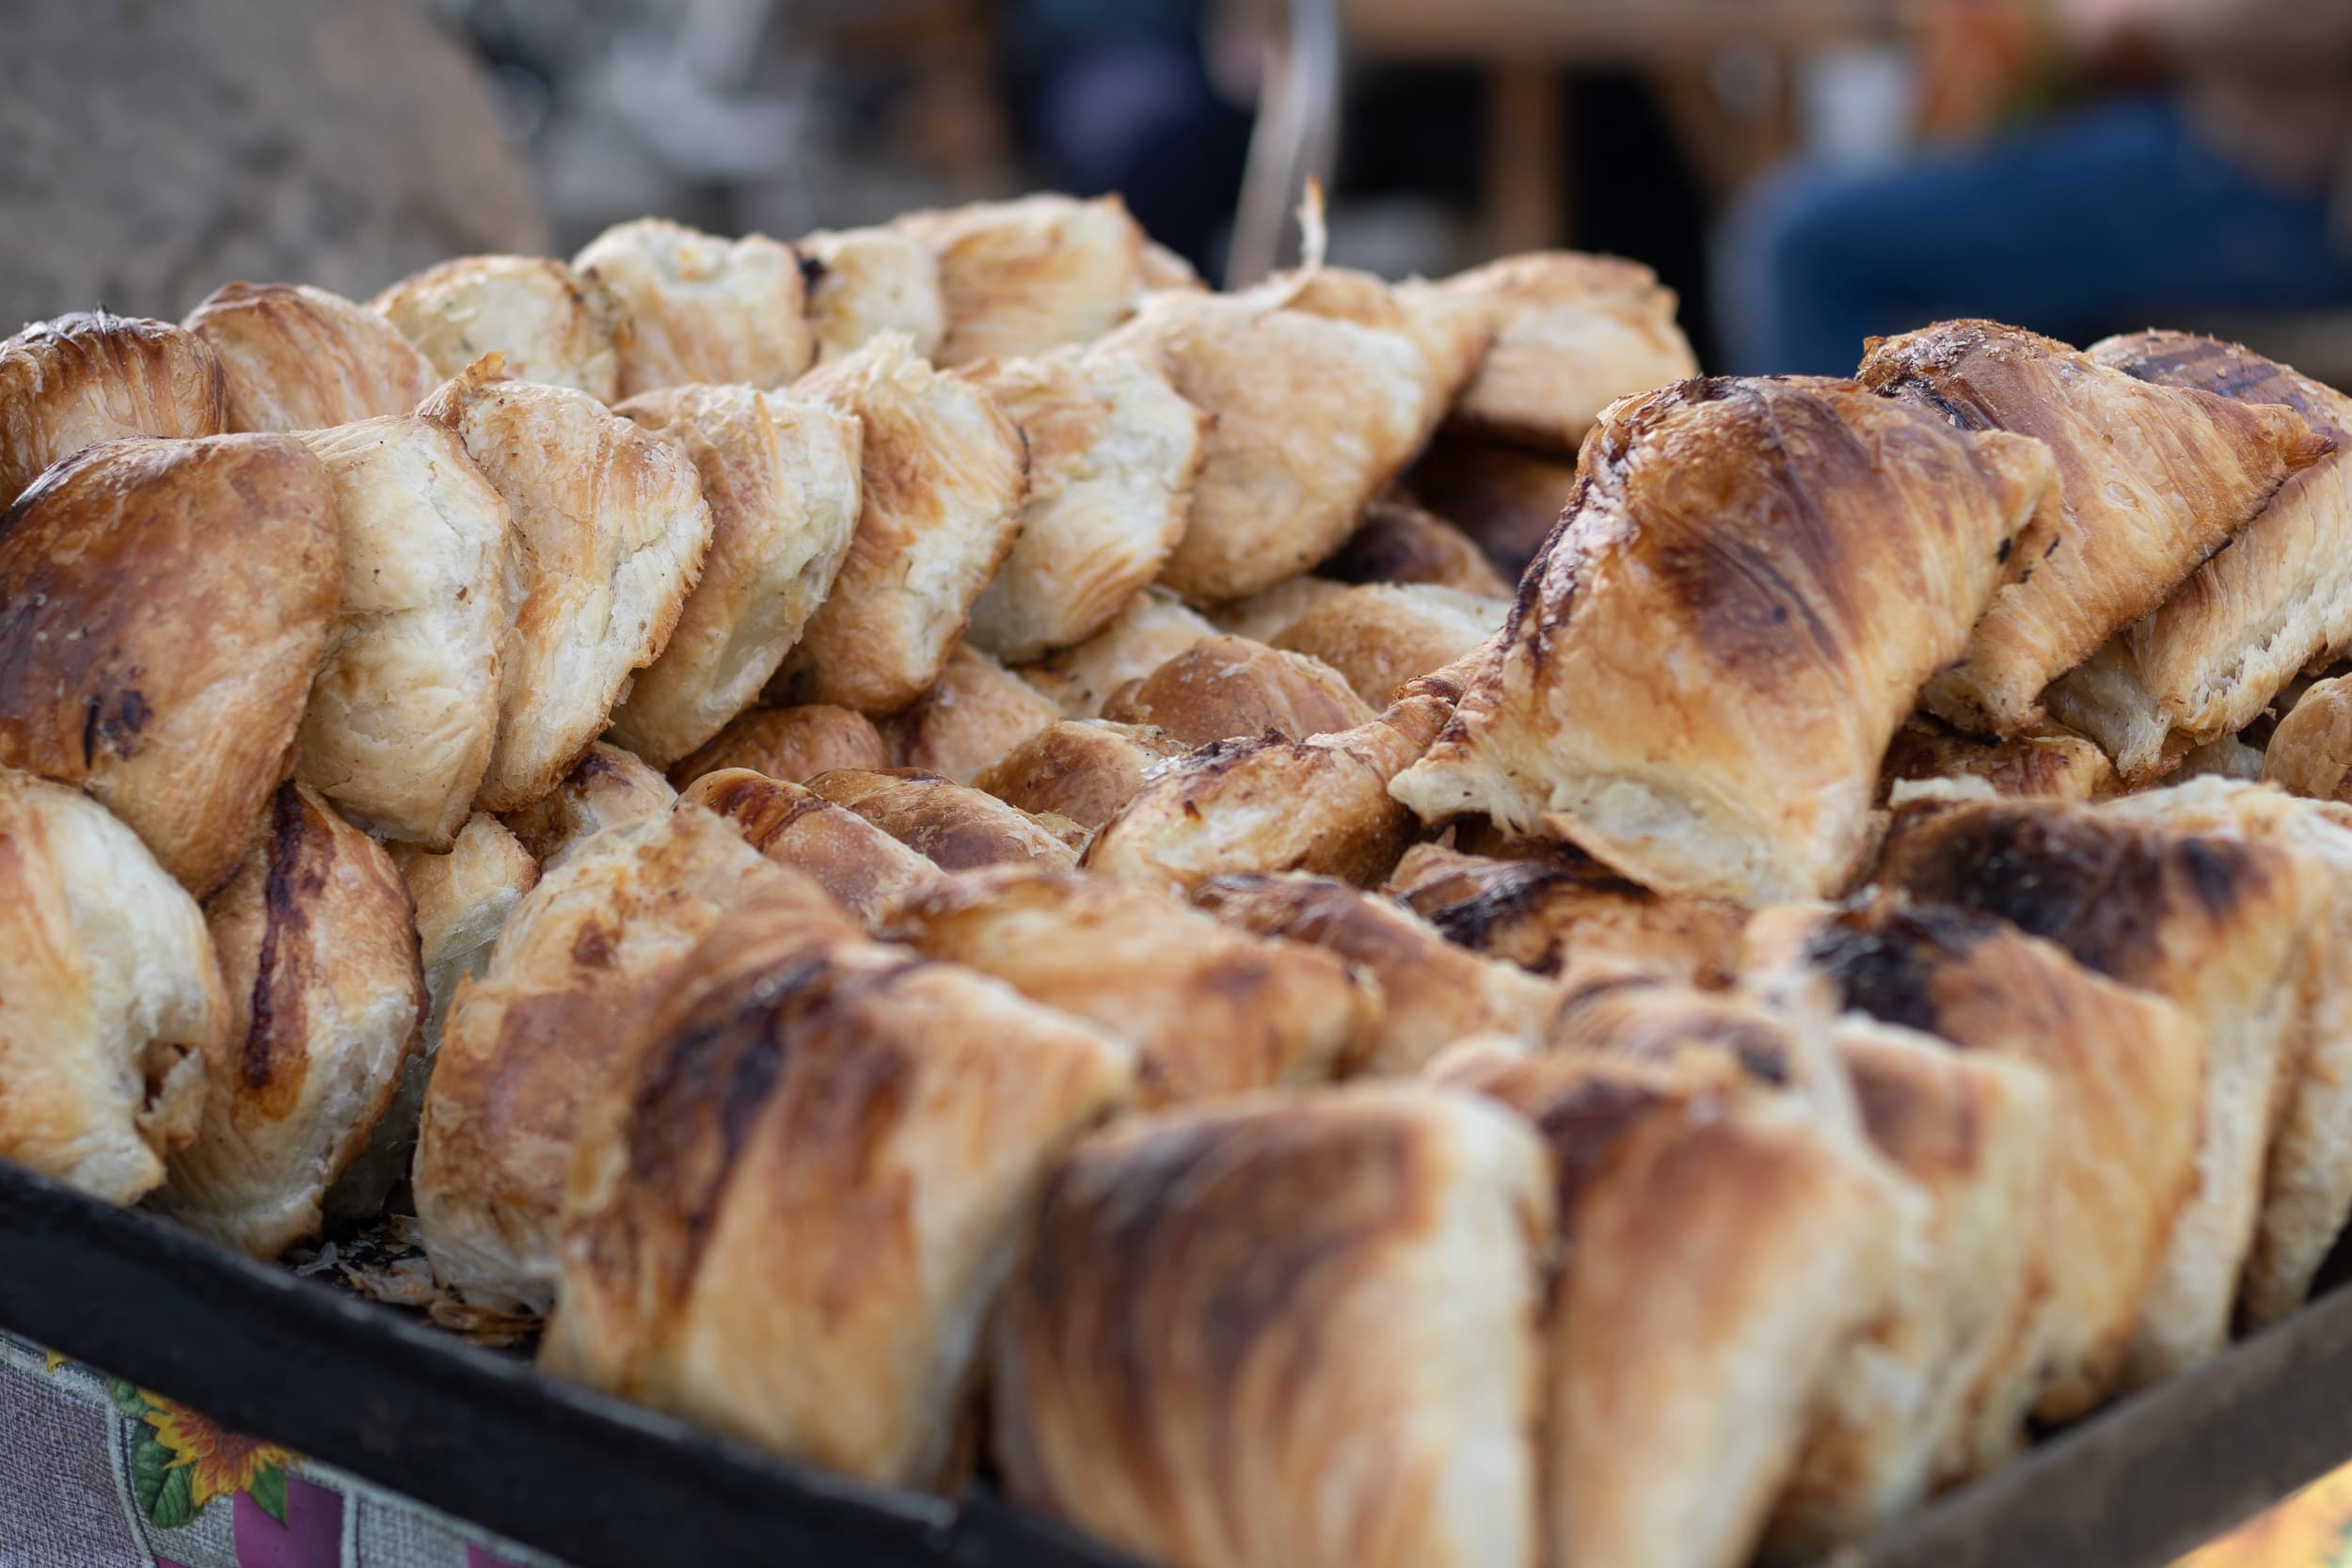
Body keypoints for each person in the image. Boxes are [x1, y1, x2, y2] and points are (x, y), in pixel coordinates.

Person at [1716, 0, 2352, 375]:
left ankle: (1834, 561)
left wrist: (2110, 17)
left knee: (1803, 240)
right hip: (2201, 132)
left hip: (2277, 179)